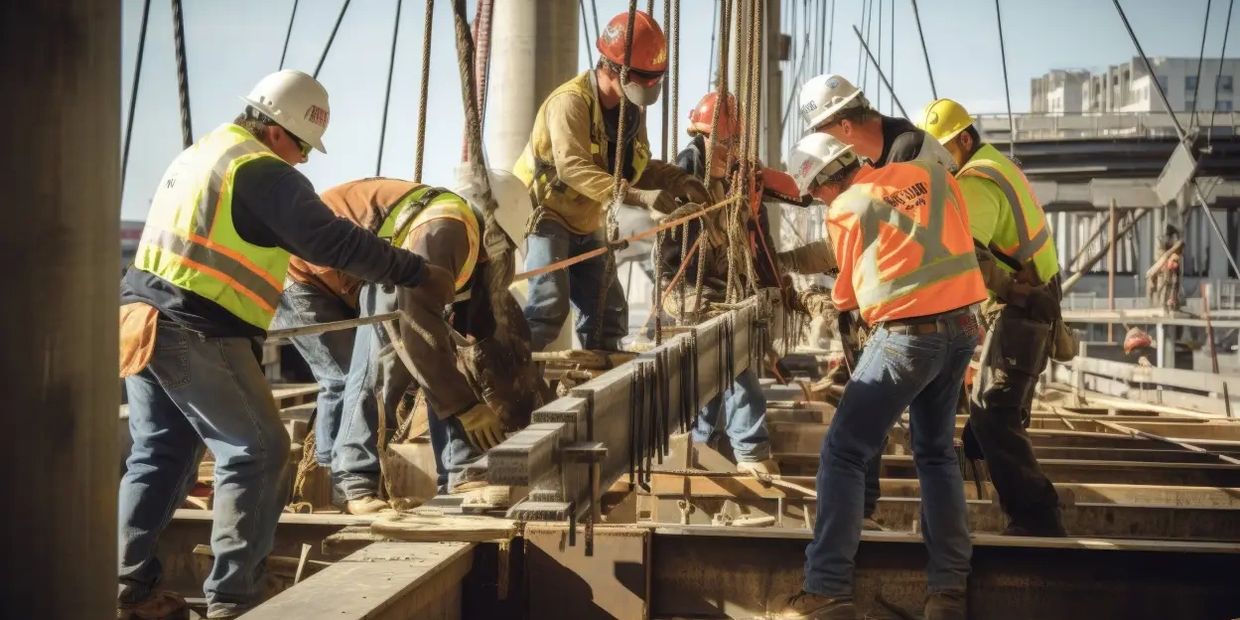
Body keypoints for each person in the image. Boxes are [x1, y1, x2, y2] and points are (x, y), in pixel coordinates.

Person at [116, 70, 455, 619]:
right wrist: (415, 271)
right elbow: (331, 239)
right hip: (194, 324)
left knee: (161, 454)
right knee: (260, 451)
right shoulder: (262, 170)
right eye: (302, 145)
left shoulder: (202, 154)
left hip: (140, 318)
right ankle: (234, 600)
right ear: (277, 130)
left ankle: (127, 590)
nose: (303, 160)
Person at [779, 134, 985, 620]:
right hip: (962, 328)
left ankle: (827, 587)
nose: (820, 201)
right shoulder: (933, 175)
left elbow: (848, 297)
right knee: (935, 453)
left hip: (908, 337)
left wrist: (806, 291)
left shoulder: (846, 208)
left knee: (845, 451)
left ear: (824, 182)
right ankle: (948, 592)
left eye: (816, 194)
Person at [331, 170, 547, 509]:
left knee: (442, 366)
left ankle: (459, 475)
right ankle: (355, 482)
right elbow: (418, 329)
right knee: (378, 375)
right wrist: (466, 406)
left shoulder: (467, 234)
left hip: (394, 272)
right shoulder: (446, 231)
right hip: (369, 280)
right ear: (495, 226)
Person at [514, 9, 710, 352]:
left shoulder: (629, 110)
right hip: (548, 216)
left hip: (588, 219)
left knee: (609, 314)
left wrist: (678, 180)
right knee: (547, 310)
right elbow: (572, 168)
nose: (645, 90)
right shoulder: (570, 103)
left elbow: (636, 165)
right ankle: (507, 382)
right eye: (641, 81)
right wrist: (640, 197)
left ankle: (597, 378)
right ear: (612, 68)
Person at [919, 98, 1067, 537]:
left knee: (992, 412)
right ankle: (1020, 504)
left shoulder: (976, 181)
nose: (942, 160)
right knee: (996, 414)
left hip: (1025, 302)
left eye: (947, 150)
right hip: (1031, 298)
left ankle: (1036, 518)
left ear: (965, 139)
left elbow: (970, 256)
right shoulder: (995, 164)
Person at [662, 91, 776, 477]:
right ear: (701, 135)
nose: (728, 150)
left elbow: (758, 236)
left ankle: (701, 449)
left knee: (713, 367)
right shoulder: (684, 174)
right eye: (722, 142)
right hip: (684, 285)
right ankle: (751, 451)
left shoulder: (738, 177)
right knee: (733, 351)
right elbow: (674, 254)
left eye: (733, 143)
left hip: (720, 283)